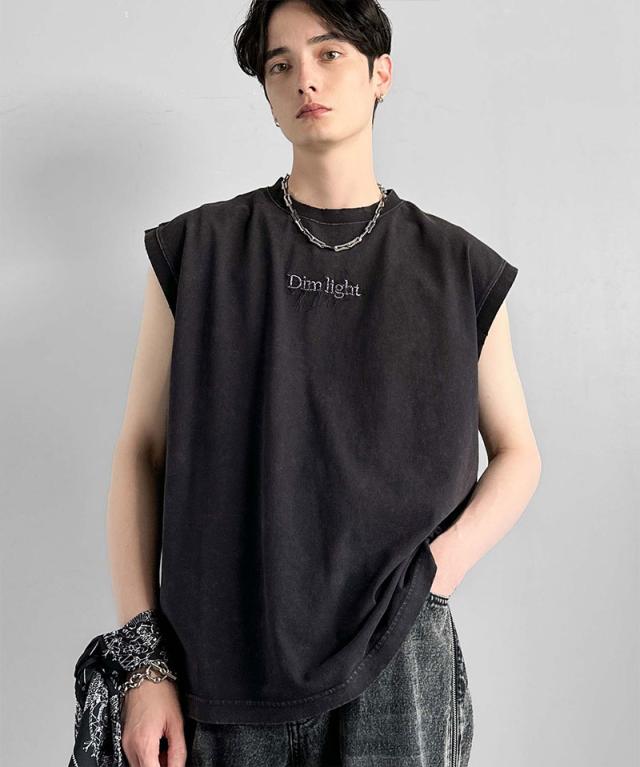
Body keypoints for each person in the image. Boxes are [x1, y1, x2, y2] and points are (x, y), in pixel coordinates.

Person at [107, 1, 542, 765]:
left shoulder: (460, 269)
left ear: (381, 74)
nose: (304, 78)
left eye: (329, 53)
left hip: (399, 656)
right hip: (222, 658)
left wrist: (436, 571)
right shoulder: (198, 251)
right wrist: (143, 662)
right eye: (280, 65)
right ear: (268, 93)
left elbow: (519, 453)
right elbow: (141, 450)